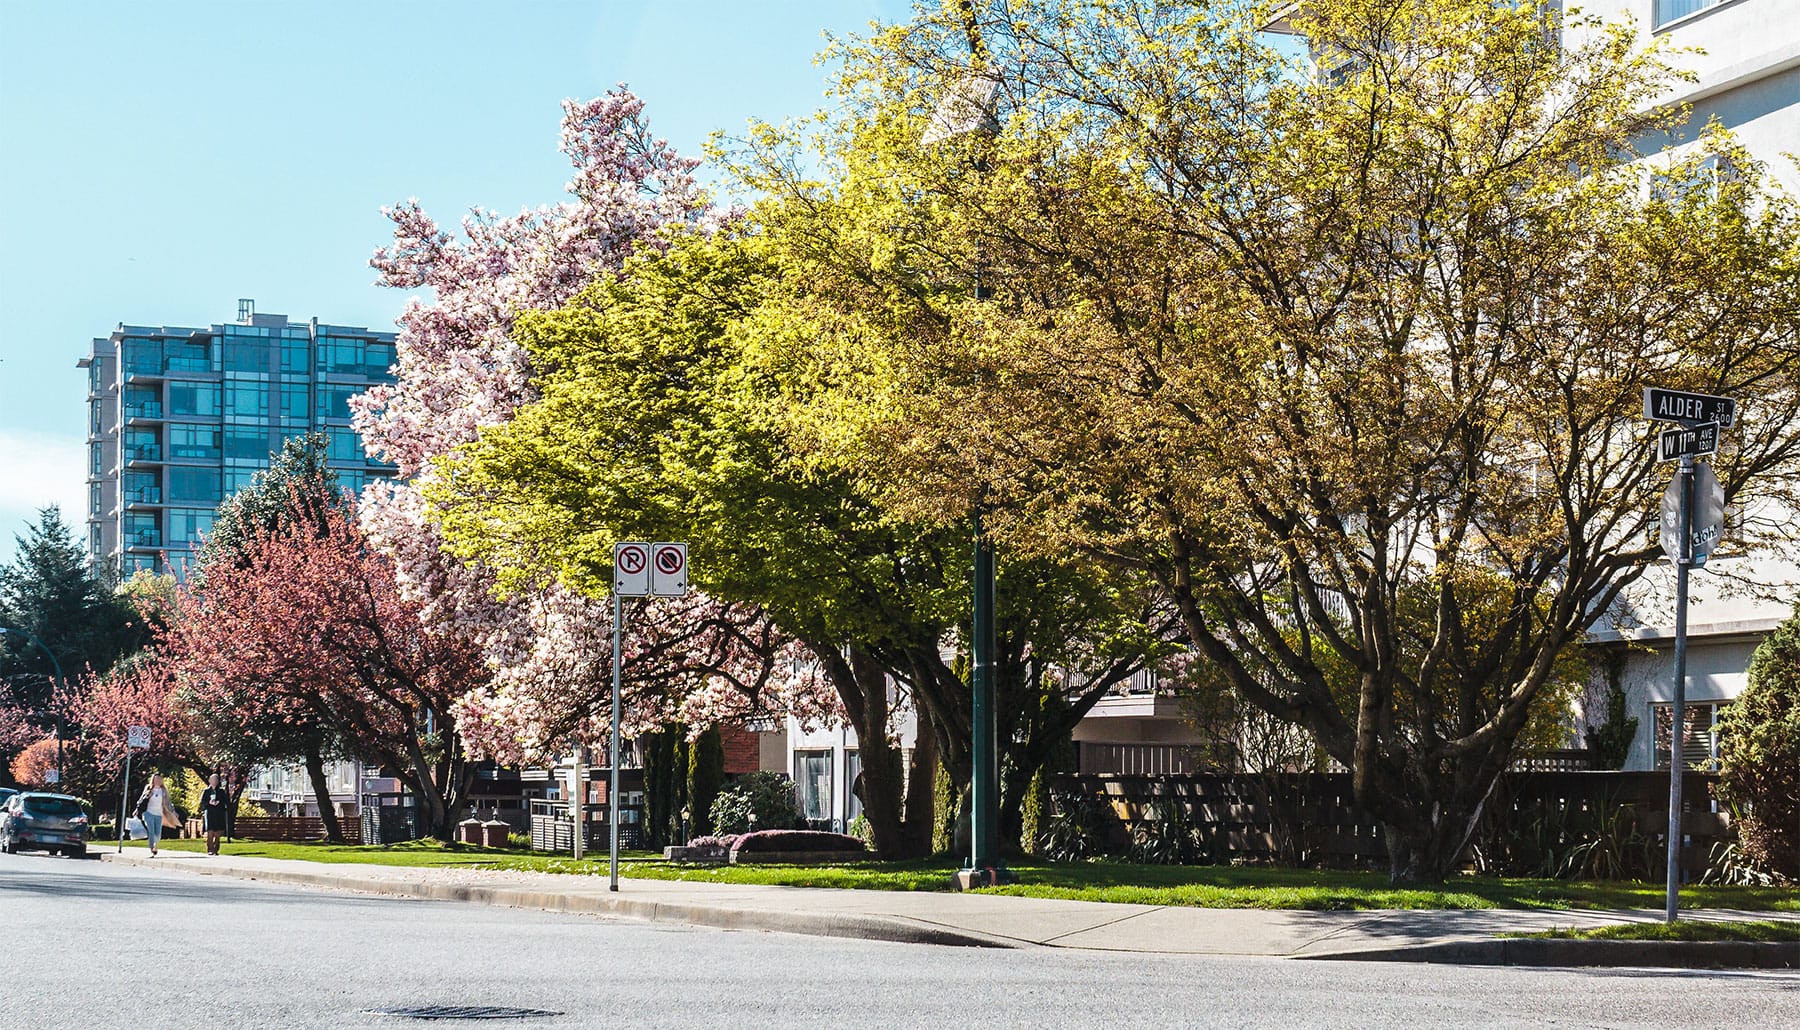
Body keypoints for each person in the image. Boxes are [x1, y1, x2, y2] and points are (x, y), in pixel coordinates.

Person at [134, 772, 180, 857]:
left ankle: (155, 844)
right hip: (148, 813)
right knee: (151, 831)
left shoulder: (163, 791)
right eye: (156, 779)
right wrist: (137, 809)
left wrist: (173, 811)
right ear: (153, 780)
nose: (157, 781)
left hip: (159, 814)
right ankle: (152, 849)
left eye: (159, 779)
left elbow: (168, 803)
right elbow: (141, 800)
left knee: (158, 834)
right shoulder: (148, 788)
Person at [198, 773, 230, 856]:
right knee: (210, 832)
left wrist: (219, 802)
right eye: (212, 780)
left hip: (219, 813)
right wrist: (209, 803)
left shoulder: (221, 791)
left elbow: (226, 802)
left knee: (217, 833)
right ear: (209, 781)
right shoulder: (206, 791)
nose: (214, 781)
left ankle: (216, 849)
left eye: (216, 780)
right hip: (210, 813)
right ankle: (210, 849)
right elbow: (202, 803)